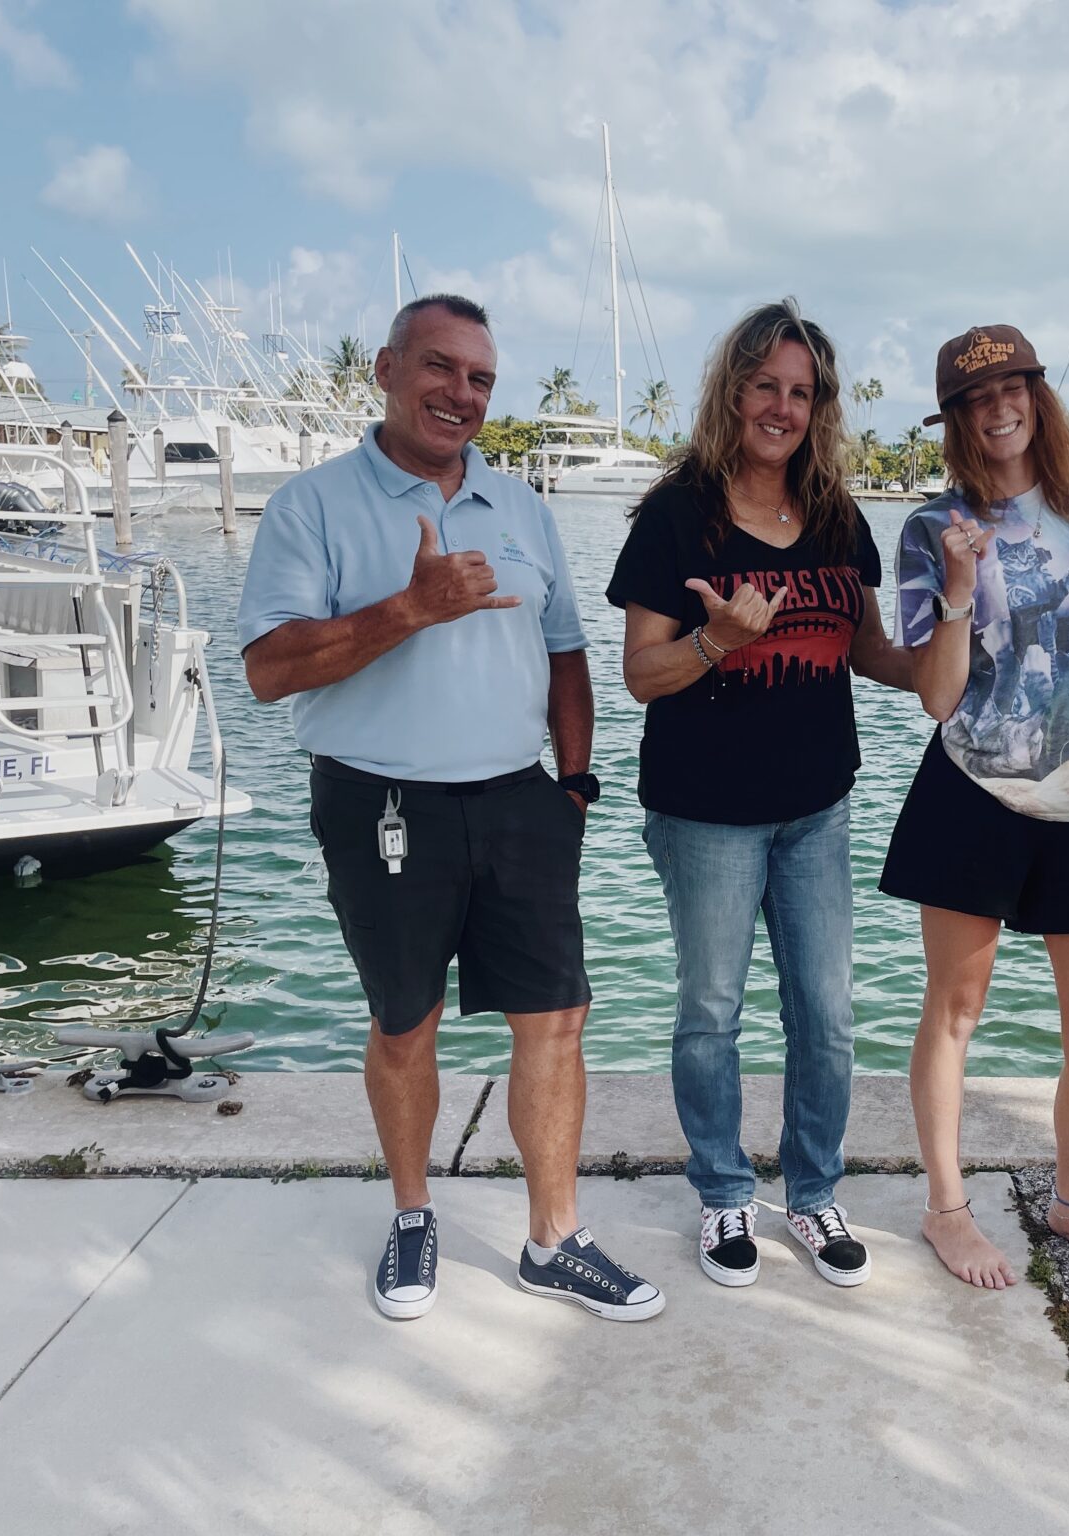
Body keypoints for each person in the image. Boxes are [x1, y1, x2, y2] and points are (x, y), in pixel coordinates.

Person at [238, 294, 662, 1324]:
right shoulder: (314, 505)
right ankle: (415, 1212)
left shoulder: (523, 507)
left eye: (479, 378)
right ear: (385, 368)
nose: (459, 393)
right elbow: (267, 668)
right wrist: (409, 610)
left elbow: (565, 651)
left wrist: (573, 783)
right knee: (404, 1023)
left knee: (556, 1019)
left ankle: (553, 1238)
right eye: (439, 367)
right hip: (378, 803)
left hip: (522, 801)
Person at [607, 299, 910, 1290]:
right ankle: (724, 1189)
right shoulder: (676, 515)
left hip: (816, 806)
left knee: (824, 1014)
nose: (781, 406)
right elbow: (640, 675)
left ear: (817, 407)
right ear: (731, 392)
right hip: (704, 815)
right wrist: (715, 644)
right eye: (764, 386)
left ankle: (815, 1191)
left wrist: (961, 638)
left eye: (801, 391)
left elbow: (868, 652)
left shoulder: (834, 515)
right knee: (710, 1011)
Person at [881, 324, 1069, 1291]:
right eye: (975, 397)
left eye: (1016, 386)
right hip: (975, 791)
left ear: (1039, 396)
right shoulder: (933, 529)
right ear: (956, 419)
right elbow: (935, 694)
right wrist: (960, 590)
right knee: (955, 1012)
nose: (999, 406)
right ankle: (947, 1211)